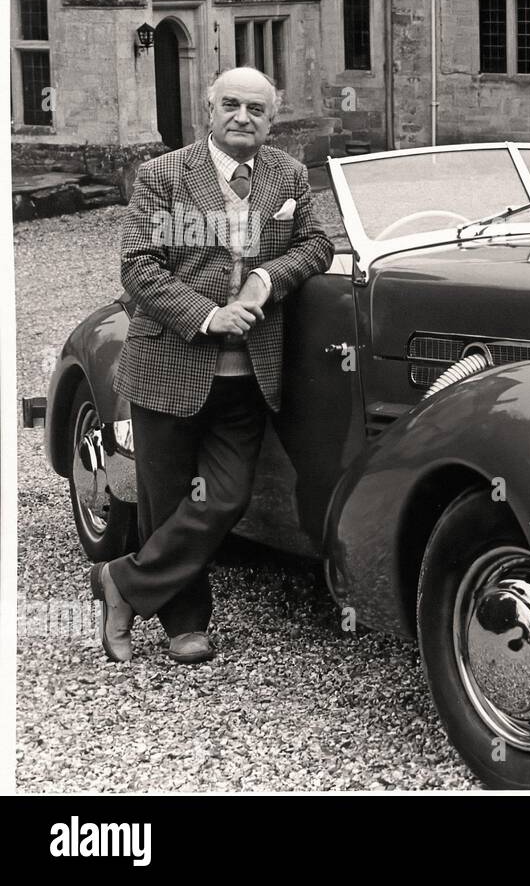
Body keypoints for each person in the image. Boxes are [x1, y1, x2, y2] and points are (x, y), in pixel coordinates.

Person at [90, 66, 334, 664]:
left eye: (256, 110)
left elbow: (318, 244)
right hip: (168, 369)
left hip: (249, 377)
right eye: (231, 105)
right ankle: (184, 625)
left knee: (224, 498)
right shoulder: (163, 175)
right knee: (167, 501)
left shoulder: (289, 175)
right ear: (209, 109)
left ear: (272, 120)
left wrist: (265, 276)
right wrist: (207, 315)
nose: (242, 118)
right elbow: (139, 268)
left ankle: (121, 583)